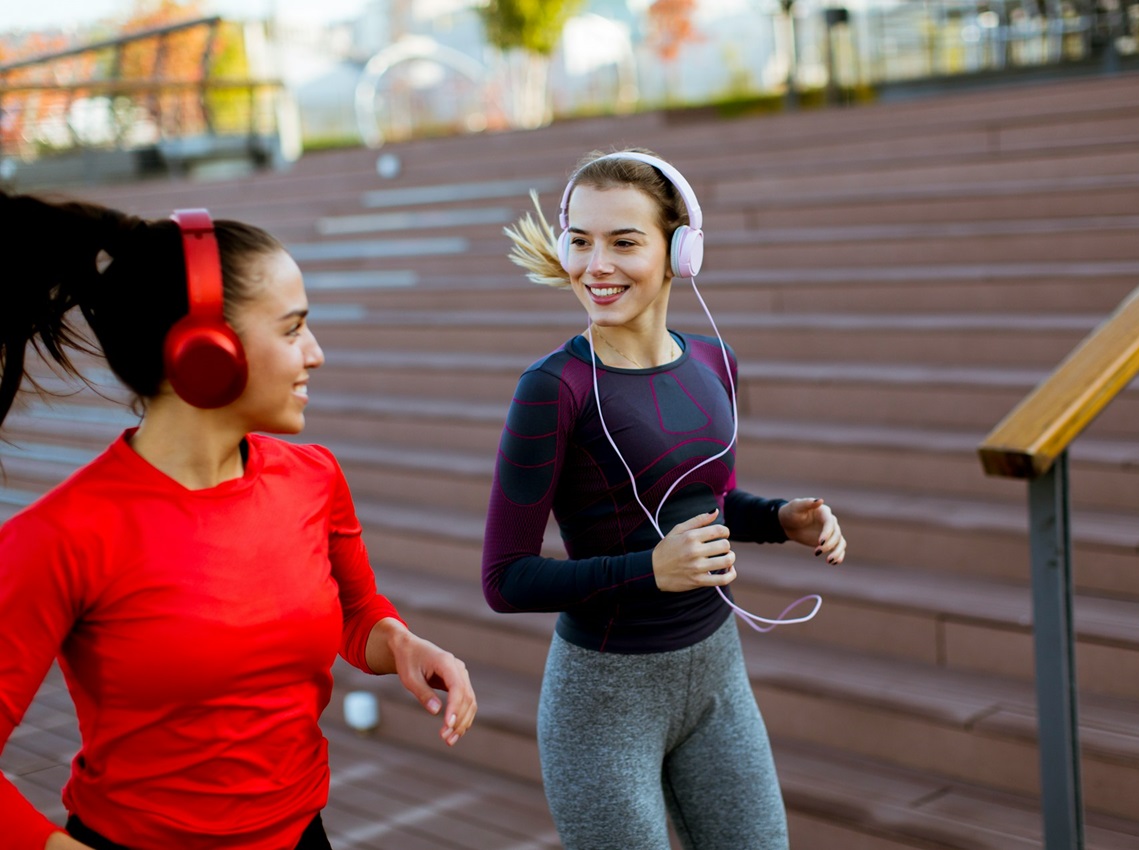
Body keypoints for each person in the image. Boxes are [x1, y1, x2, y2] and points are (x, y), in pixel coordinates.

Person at [0, 193, 477, 850]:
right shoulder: (59, 536)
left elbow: (356, 611)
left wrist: (401, 646)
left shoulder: (314, 477)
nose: (315, 353)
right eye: (291, 329)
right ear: (205, 351)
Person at [481, 148, 848, 849]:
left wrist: (777, 519)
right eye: (581, 241)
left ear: (681, 251)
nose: (597, 265)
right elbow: (504, 580)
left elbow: (707, 501)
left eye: (624, 242)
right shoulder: (554, 388)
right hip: (603, 704)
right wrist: (649, 569)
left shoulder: (715, 362)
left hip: (717, 677)